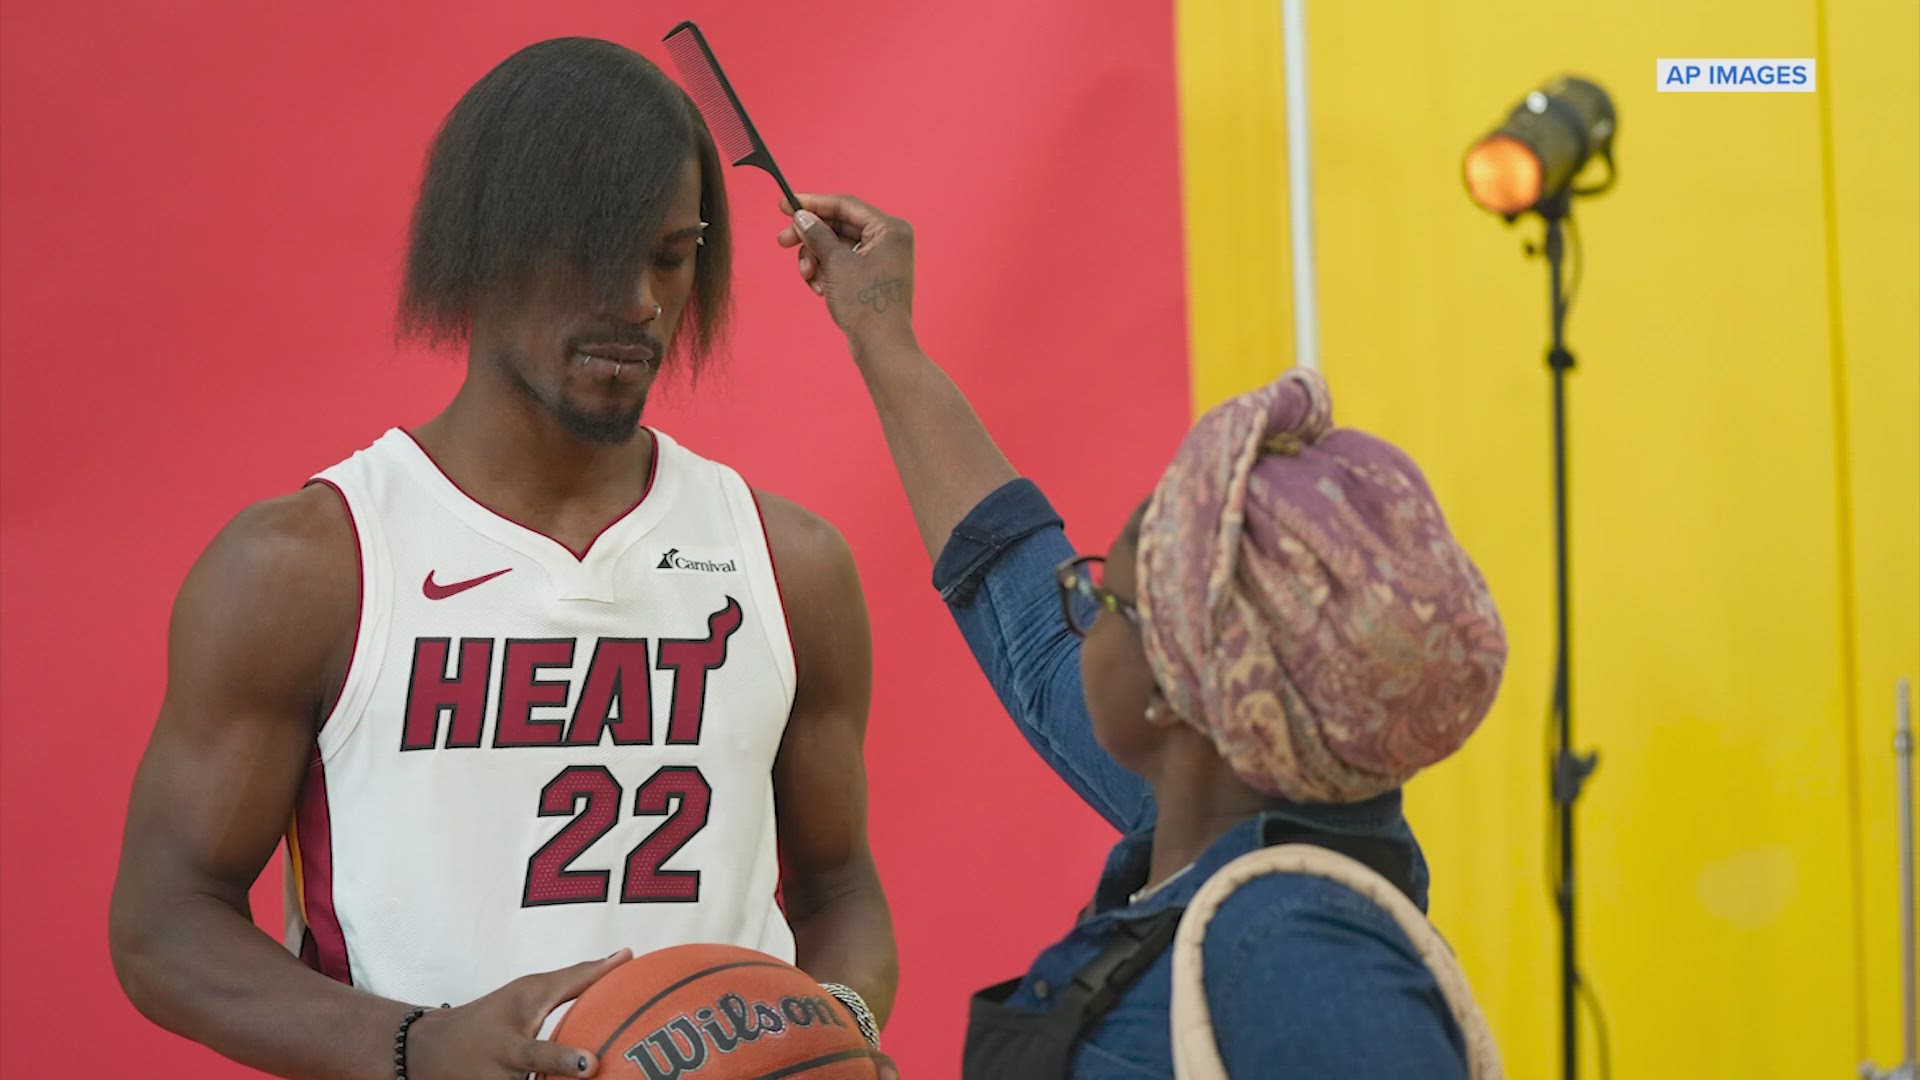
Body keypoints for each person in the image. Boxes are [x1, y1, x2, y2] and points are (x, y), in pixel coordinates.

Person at [108, 39, 896, 1080]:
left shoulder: (788, 566)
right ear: (480, 248)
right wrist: (413, 1044)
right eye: (591, 251)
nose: (640, 303)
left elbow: (841, 890)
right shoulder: (313, 567)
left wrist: (832, 1030)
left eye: (668, 255)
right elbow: (165, 923)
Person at [778, 195, 1508, 1077]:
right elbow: (1030, 626)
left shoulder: (1308, 970)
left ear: (1180, 695)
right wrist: (880, 334)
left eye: (1108, 596)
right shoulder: (1221, 799)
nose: (1079, 609)